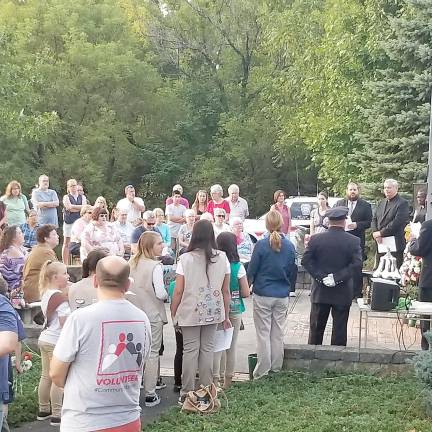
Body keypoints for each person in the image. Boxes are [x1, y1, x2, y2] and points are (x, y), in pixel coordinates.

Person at [50, 256, 151, 432]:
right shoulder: (142, 319)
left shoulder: (80, 318)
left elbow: (56, 373)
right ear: (127, 284)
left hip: (84, 420)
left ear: (95, 280)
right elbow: (141, 364)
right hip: (128, 419)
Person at [170, 220, 231, 402]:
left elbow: (178, 290)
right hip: (213, 310)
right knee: (207, 350)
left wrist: (174, 311)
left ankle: (187, 393)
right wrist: (226, 315)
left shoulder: (185, 258)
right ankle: (206, 391)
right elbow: (225, 291)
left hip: (190, 310)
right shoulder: (222, 257)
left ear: (194, 235)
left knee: (190, 351)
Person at [302, 207, 362, 346]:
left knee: (316, 331)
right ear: (344, 221)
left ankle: (313, 361)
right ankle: (338, 364)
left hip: (320, 291)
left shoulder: (316, 239)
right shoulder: (353, 241)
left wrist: (320, 277)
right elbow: (356, 264)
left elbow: (306, 261)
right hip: (342, 291)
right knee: (339, 332)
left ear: (328, 221)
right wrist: (337, 277)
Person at [247, 210, 295, 379]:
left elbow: (252, 270)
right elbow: (291, 270)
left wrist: (247, 285)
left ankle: (262, 371)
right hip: (282, 294)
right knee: (278, 333)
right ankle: (276, 367)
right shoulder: (289, 246)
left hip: (263, 293)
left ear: (266, 225)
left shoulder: (261, 245)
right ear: (281, 223)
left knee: (263, 333)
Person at [127, 232, 167, 408]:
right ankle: (150, 392)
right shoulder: (155, 266)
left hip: (132, 314)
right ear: (150, 246)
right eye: (159, 243)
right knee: (152, 353)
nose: (163, 245)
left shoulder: (129, 264)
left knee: (133, 352)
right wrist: (168, 294)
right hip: (152, 314)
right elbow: (160, 293)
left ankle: (132, 389)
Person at [213, 232, 249, 389]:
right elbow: (246, 293)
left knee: (217, 346)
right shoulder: (238, 266)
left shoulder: (214, 263)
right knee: (231, 346)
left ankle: (215, 379)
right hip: (234, 309)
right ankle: (228, 380)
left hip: (216, 308)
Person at [37, 261, 71, 426]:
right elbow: (66, 325)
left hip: (44, 338)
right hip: (56, 341)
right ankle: (57, 413)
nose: (68, 276)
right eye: (65, 273)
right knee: (58, 378)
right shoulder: (61, 299)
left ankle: (43, 409)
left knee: (45, 376)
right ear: (55, 277)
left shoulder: (46, 293)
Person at [335, 182, 372, 298]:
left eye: (355, 190)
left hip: (357, 240)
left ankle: (356, 293)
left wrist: (357, 225)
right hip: (341, 240)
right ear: (347, 191)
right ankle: (340, 290)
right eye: (350, 189)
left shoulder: (365, 205)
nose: (352, 192)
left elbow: (369, 222)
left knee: (356, 266)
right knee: (340, 264)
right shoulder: (339, 203)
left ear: (358, 191)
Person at [0, 288, 25, 430]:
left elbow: (12, 341)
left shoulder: (3, 305)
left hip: (2, 374)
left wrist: (18, 363)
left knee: (4, 403)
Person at [372, 179, 410, 268]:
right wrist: (375, 233)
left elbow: (397, 222)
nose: (386, 190)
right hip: (381, 242)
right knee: (381, 269)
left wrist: (381, 233)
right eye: (385, 188)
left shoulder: (402, 203)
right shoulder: (382, 202)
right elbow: (374, 219)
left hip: (395, 244)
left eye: (389, 188)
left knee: (393, 271)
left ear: (396, 188)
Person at [409, 219, 432, 349]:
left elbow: (418, 249)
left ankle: (426, 348)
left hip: (429, 279)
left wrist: (413, 239)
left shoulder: (428, 225)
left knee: (426, 315)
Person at [22, 225, 59, 303]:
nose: (58, 236)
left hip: (32, 291)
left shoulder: (39, 249)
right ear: (46, 238)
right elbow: (58, 273)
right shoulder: (45, 252)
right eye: (54, 234)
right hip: (37, 294)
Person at [0, 226, 27, 306]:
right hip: (15, 292)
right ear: (13, 238)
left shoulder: (17, 249)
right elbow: (26, 271)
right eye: (19, 233)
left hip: (13, 289)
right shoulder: (13, 251)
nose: (23, 234)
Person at [62, 179, 87, 264]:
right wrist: (79, 208)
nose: (73, 187)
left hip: (79, 222)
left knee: (80, 240)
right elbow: (69, 208)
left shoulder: (82, 197)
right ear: (68, 187)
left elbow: (84, 208)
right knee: (66, 242)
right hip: (69, 221)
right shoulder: (66, 197)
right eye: (71, 186)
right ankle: (65, 263)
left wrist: (74, 207)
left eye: (75, 185)